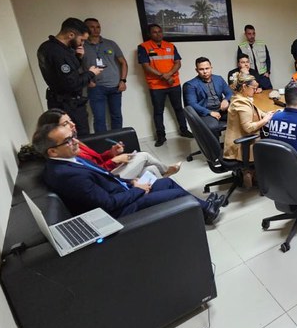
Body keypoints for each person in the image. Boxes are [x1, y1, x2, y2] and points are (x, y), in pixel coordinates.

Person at [33, 123, 222, 224]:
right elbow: (107, 204)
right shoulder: (67, 175)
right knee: (176, 194)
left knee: (167, 183)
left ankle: (206, 209)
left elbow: (104, 175)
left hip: (124, 191)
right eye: (68, 140)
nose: (75, 142)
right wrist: (138, 190)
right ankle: (207, 210)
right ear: (52, 151)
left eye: (73, 137)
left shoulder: (69, 159)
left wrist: (132, 182)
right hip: (122, 210)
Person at [37, 109, 181, 179]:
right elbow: (94, 172)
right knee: (143, 156)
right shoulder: (66, 150)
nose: (72, 124)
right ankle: (166, 171)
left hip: (107, 172)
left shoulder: (74, 141)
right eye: (65, 123)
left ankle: (166, 188)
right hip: (108, 178)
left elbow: (97, 160)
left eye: (70, 120)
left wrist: (112, 152)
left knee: (152, 170)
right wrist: (115, 160)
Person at [37, 17, 103, 135]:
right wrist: (91, 73)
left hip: (60, 102)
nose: (82, 44)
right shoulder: (57, 52)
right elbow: (72, 83)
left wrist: (78, 58)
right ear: (71, 35)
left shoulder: (48, 47)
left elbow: (68, 72)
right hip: (68, 105)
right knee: (79, 136)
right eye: (81, 40)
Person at [137, 23, 194, 147]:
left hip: (174, 83)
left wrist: (169, 74)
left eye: (160, 31)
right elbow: (146, 66)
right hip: (156, 86)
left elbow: (178, 63)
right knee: (158, 111)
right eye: (154, 32)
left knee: (178, 108)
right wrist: (164, 76)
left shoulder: (170, 46)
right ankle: (161, 136)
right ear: (149, 34)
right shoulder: (143, 47)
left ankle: (184, 130)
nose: (158, 34)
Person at [224, 72, 275, 187]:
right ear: (244, 87)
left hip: (239, 139)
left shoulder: (241, 98)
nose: (255, 91)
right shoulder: (241, 103)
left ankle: (250, 171)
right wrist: (265, 120)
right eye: (253, 88)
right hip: (242, 145)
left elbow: (256, 111)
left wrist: (269, 114)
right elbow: (248, 128)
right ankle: (251, 171)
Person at [82, 18, 128, 133]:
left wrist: (123, 81)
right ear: (85, 28)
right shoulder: (81, 45)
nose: (96, 29)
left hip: (115, 86)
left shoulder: (110, 44)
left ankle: (118, 141)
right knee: (99, 119)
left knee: (117, 116)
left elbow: (123, 62)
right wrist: (88, 81)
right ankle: (102, 143)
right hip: (96, 87)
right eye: (92, 27)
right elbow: (77, 66)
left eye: (98, 27)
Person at [184, 57, 233, 138]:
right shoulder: (190, 85)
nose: (205, 71)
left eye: (207, 68)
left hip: (222, 109)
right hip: (206, 112)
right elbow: (192, 104)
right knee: (212, 127)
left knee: (240, 117)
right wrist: (209, 112)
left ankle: (235, 143)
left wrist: (226, 100)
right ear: (196, 70)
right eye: (201, 69)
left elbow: (229, 93)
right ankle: (215, 146)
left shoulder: (218, 79)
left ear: (211, 68)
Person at [236, 24, 272, 89]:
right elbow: (239, 63)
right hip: (250, 77)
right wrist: (244, 76)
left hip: (263, 76)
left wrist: (268, 72)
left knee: (269, 93)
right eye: (249, 34)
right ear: (245, 34)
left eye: (253, 33)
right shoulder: (241, 47)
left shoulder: (262, 44)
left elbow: (268, 59)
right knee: (253, 94)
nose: (252, 36)